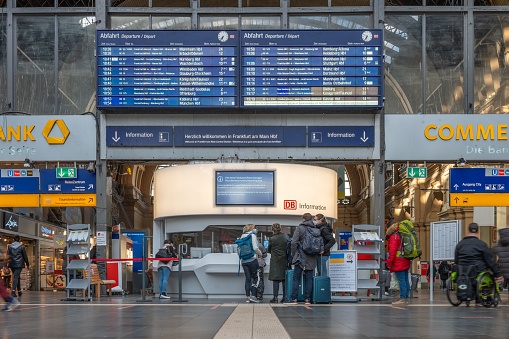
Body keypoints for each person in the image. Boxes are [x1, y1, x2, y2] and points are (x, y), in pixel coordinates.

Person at [455, 223, 503, 292]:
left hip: (463, 270)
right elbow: (489, 260)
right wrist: (497, 273)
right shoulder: (482, 244)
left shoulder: (460, 244)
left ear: (468, 231)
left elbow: (456, 260)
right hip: (478, 271)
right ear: (478, 232)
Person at [287, 213, 322, 305]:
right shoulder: (316, 229)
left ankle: (294, 299)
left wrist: (294, 254)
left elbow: (294, 242)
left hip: (300, 256)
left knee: (296, 277)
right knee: (309, 278)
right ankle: (307, 299)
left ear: (303, 219)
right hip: (312, 257)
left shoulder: (299, 228)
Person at [386, 222, 411, 305]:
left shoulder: (394, 237)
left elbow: (392, 252)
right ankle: (406, 297)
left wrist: (389, 263)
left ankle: (403, 298)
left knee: (401, 280)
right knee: (405, 280)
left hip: (398, 261)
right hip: (405, 259)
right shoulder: (402, 236)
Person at [240, 224, 263, 303]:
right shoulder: (252, 236)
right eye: (254, 228)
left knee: (248, 279)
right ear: (251, 229)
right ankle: (253, 296)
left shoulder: (242, 236)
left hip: (244, 261)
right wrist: (260, 254)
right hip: (252, 260)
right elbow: (255, 248)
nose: (255, 229)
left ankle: (247, 297)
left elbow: (238, 250)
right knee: (256, 278)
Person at [268, 223, 289, 303]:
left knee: (275, 279)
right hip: (284, 260)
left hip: (275, 261)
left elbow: (269, 250)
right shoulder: (285, 237)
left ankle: (275, 297)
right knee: (284, 279)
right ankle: (284, 297)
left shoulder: (272, 238)